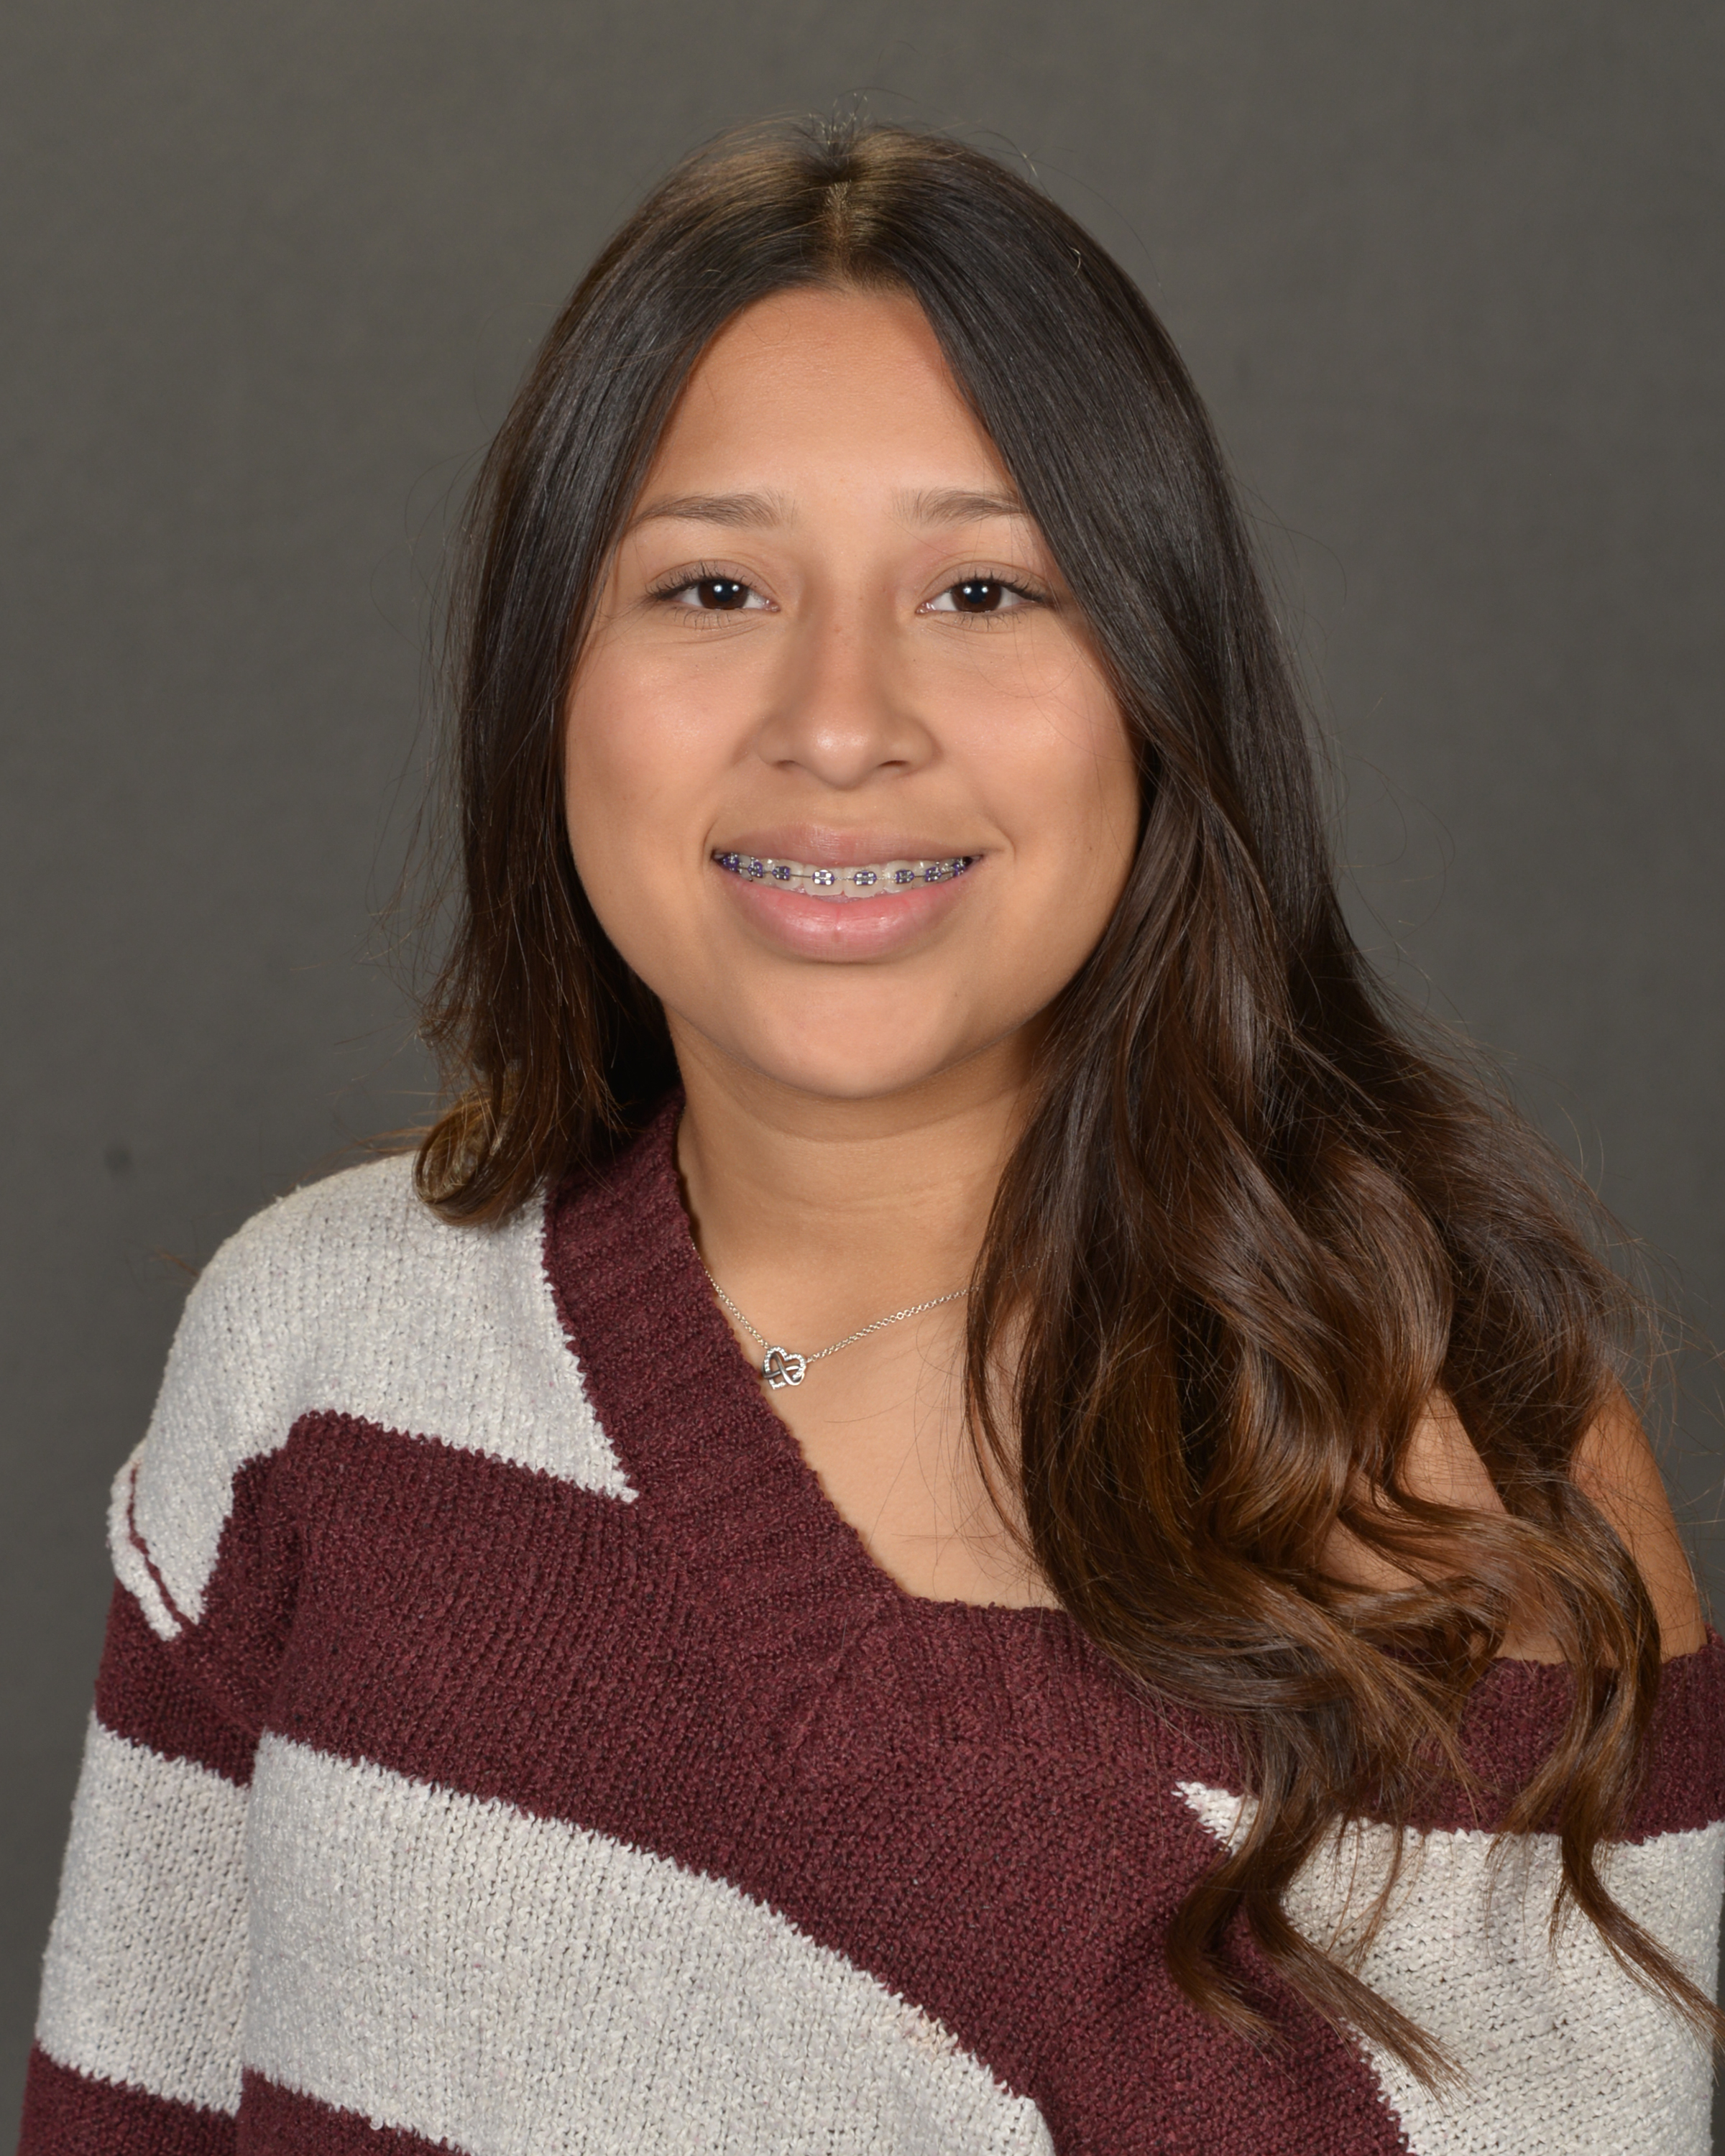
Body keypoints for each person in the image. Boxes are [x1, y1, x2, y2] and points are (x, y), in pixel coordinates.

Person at [19, 118, 1724, 2156]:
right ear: (551, 681)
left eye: (984, 588)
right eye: (715, 585)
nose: (839, 723)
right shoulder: (313, 1368)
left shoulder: (1457, 1470)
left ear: (1157, 690)